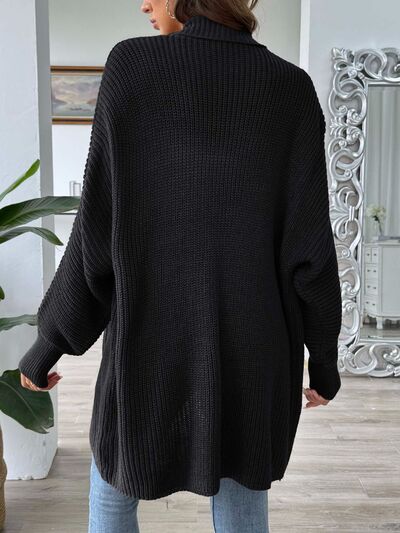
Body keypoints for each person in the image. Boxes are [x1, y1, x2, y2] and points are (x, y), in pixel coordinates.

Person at [18, 0, 342, 531]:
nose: (144, 4)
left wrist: (48, 343)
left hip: (148, 341)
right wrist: (324, 361)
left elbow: (96, 230)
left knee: (115, 486)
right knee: (242, 496)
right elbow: (310, 252)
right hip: (254, 349)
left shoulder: (133, 66)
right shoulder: (291, 88)